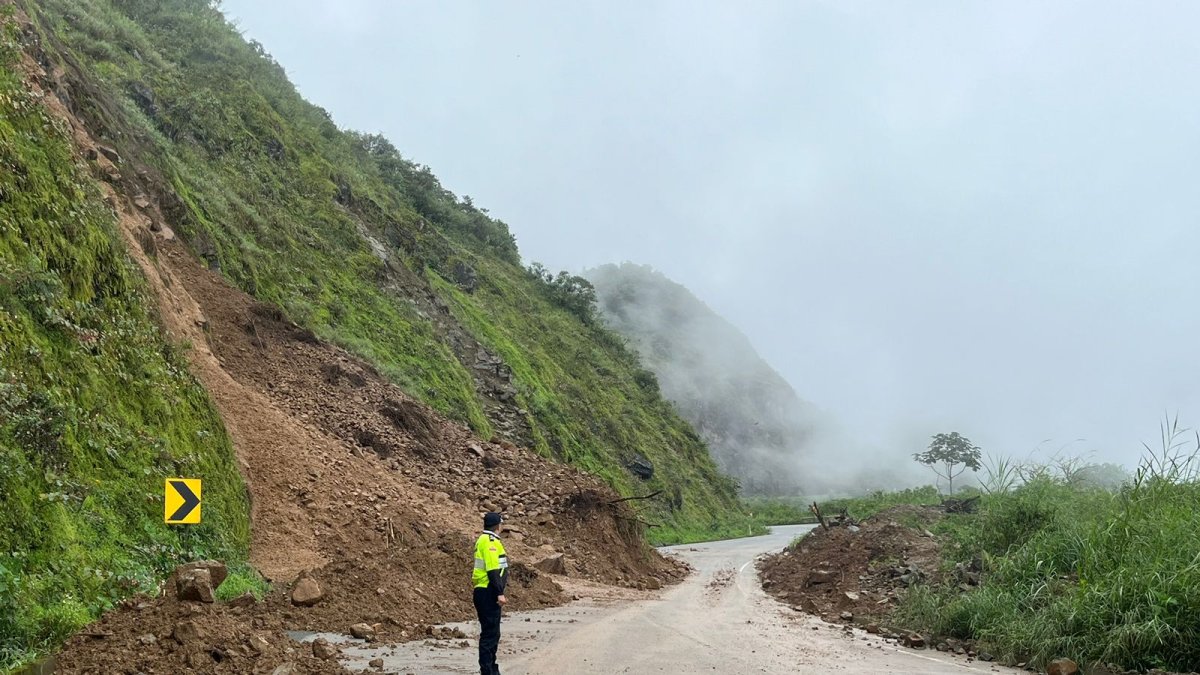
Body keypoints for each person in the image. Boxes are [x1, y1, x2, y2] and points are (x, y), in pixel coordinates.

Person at [472, 512, 508, 675]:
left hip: (485, 590)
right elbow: (493, 570)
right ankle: (487, 671)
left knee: (493, 632)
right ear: (497, 525)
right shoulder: (490, 542)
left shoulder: (484, 540)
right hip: (488, 591)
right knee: (490, 634)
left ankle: (492, 669)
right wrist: (499, 592)